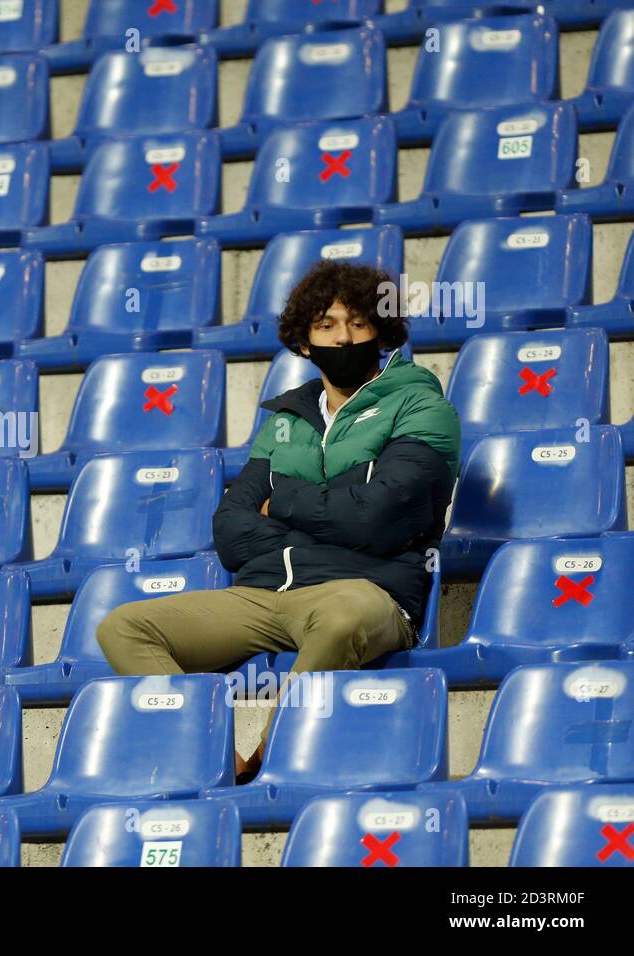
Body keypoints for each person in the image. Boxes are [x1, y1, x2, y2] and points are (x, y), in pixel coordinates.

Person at [96, 260, 461, 781]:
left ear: (382, 331)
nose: (344, 338)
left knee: (341, 615)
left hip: (370, 592)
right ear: (305, 342)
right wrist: (333, 511)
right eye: (327, 326)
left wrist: (285, 502)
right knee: (125, 627)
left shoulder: (422, 407)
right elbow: (230, 533)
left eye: (358, 323)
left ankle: (271, 757)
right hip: (266, 595)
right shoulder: (285, 422)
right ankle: (217, 759)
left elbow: (379, 522)